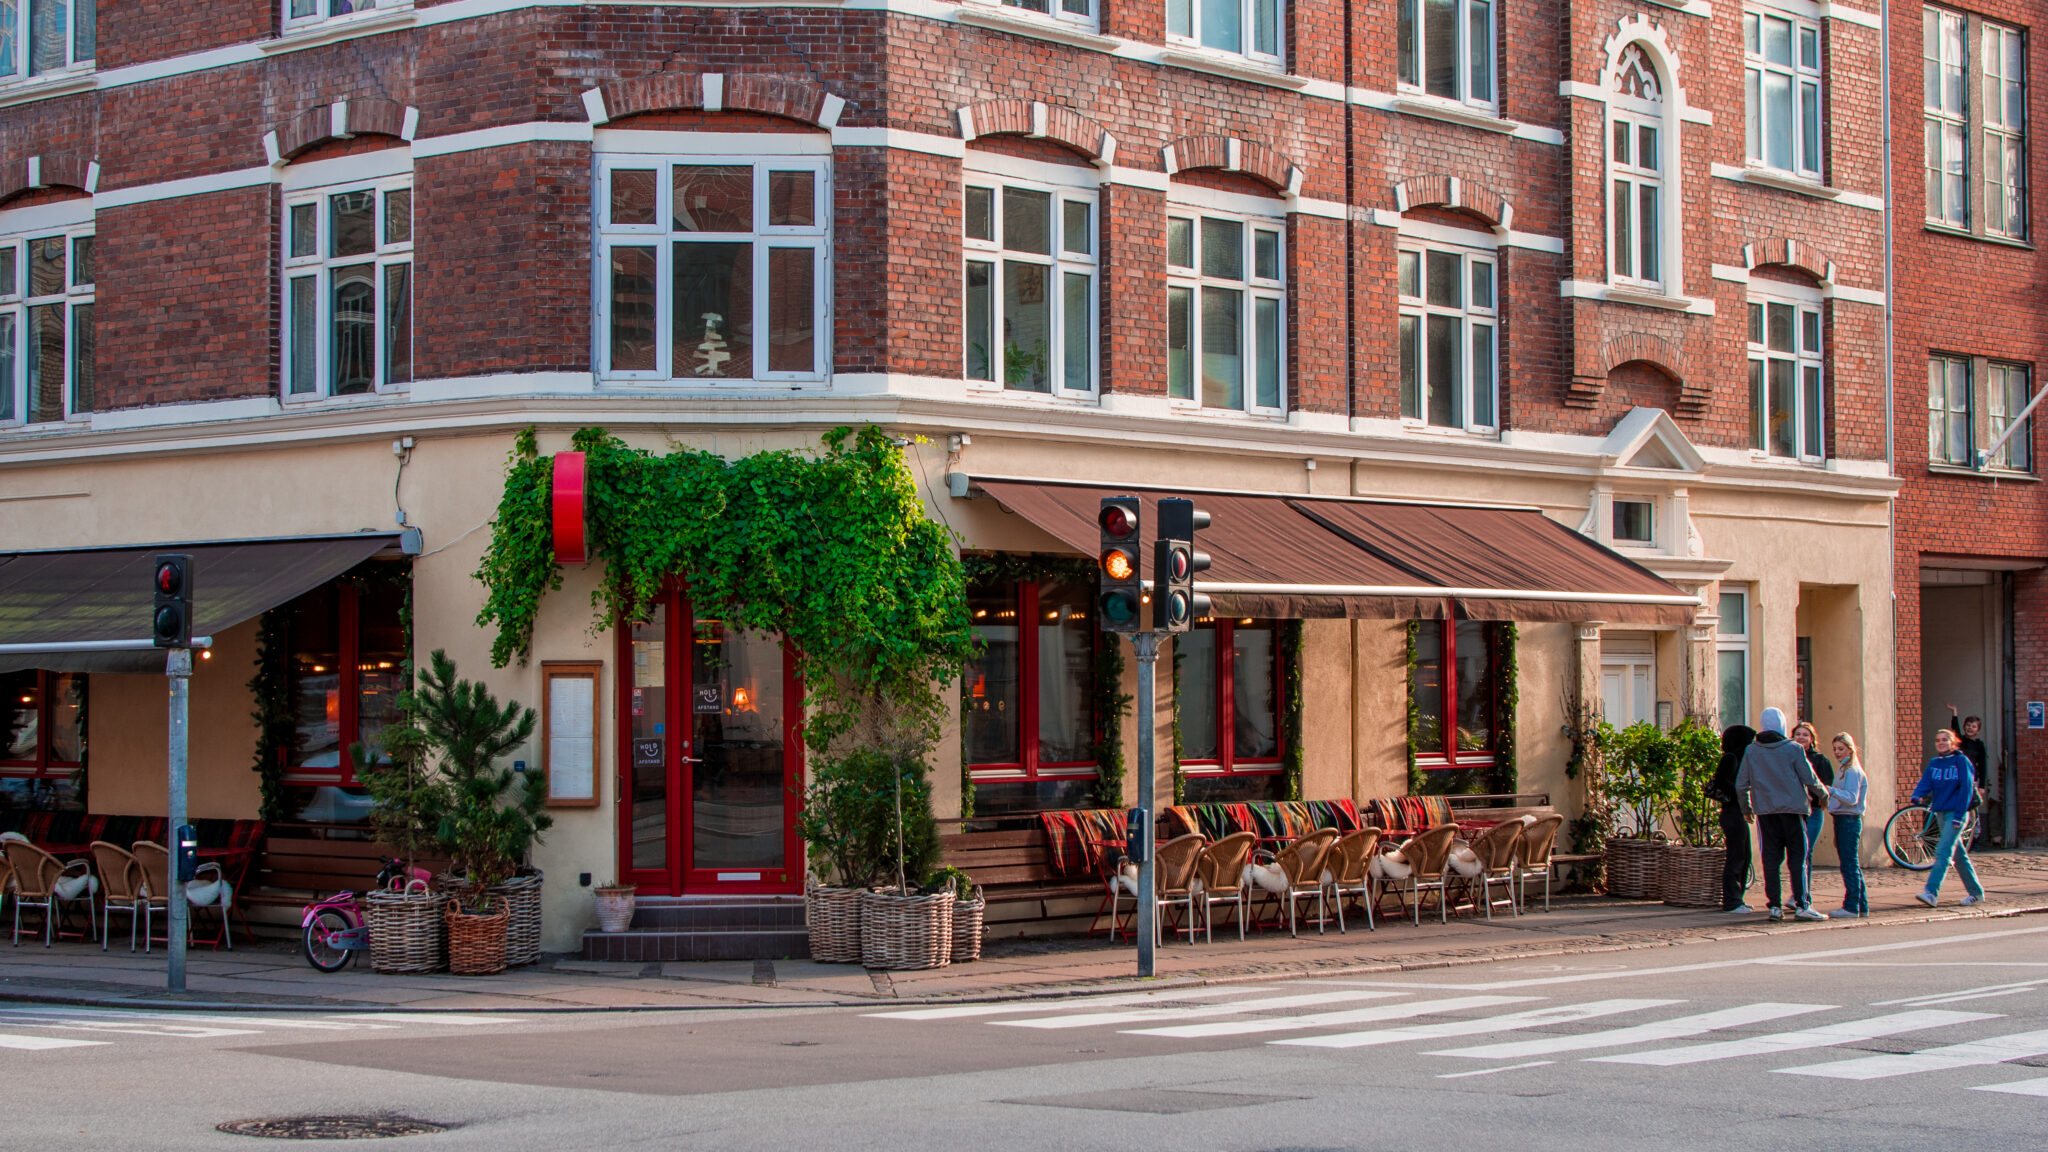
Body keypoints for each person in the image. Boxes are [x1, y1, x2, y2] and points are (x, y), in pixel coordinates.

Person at [1735, 707, 1829, 921]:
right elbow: (1810, 778)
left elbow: (1741, 784)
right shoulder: (1793, 749)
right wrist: (1823, 795)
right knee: (1798, 858)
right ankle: (1802, 904)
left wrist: (1746, 809)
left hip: (1766, 813)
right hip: (1792, 811)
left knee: (1770, 860)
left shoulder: (1752, 750)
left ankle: (1775, 906)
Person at [1909, 729, 1985, 907]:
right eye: (1938, 740)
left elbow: (1966, 789)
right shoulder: (1935, 763)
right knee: (1959, 856)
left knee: (1942, 852)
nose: (1941, 743)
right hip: (1941, 814)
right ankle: (1976, 893)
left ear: (1953, 742)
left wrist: (1959, 816)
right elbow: (1926, 782)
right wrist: (1917, 795)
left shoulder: (1961, 761)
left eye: (1944, 740)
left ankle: (1931, 892)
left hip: (1956, 814)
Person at [1709, 724, 1756, 913]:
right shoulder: (1731, 758)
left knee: (1745, 856)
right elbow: (1722, 781)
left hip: (1737, 811)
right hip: (1732, 811)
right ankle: (1732, 900)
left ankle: (1738, 898)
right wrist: (1740, 794)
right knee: (1736, 857)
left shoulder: (1740, 758)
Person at [1826, 733, 1869, 918]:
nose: (1837, 752)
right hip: (1842, 818)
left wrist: (1831, 790)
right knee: (1851, 863)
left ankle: (1852, 905)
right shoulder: (1844, 769)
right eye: (1835, 749)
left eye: (1841, 749)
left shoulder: (1852, 771)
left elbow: (1852, 798)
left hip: (1849, 819)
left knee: (1849, 864)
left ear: (1850, 749)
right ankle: (1861, 904)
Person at [1791, 721, 1835, 897]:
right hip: (1795, 812)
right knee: (1796, 853)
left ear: (1811, 739)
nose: (1801, 737)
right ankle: (1799, 892)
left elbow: (1826, 786)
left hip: (1813, 812)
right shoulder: (1789, 757)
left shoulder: (1819, 760)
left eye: (1805, 735)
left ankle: (1802, 894)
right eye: (1798, 734)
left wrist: (1812, 796)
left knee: (1806, 851)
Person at [1944, 704, 1990, 788]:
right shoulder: (1960, 740)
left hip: (1971, 779)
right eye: (1968, 725)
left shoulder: (1979, 745)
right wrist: (1954, 713)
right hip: (1957, 778)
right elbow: (1955, 729)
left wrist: (1982, 786)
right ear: (1964, 726)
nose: (1970, 728)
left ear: (1978, 730)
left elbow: (1982, 766)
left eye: (1974, 727)